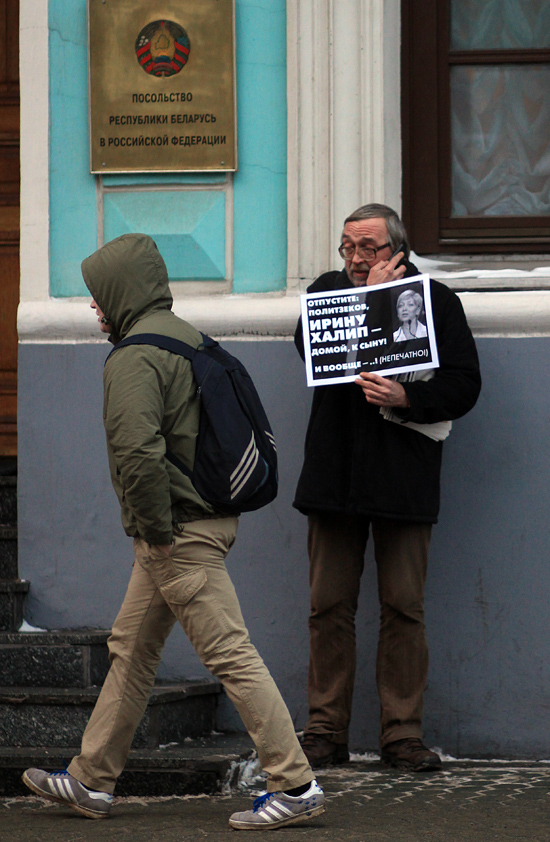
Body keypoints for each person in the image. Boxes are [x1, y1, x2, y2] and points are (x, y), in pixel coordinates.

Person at [22, 233, 325, 831]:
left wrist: (156, 533)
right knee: (132, 651)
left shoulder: (135, 356)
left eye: (98, 294)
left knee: (230, 654)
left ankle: (295, 784)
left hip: (176, 534)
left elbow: (137, 452)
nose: (93, 306)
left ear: (121, 292)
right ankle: (91, 779)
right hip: (193, 524)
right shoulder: (187, 338)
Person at [294, 203, 481, 771]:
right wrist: (364, 300)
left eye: (367, 247)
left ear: (397, 250)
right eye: (347, 246)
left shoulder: (436, 301)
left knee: (403, 606)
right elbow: (309, 347)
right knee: (328, 606)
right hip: (336, 475)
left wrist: (407, 397)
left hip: (403, 476)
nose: (355, 257)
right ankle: (325, 731)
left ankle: (402, 735)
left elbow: (465, 385)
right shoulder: (328, 292)